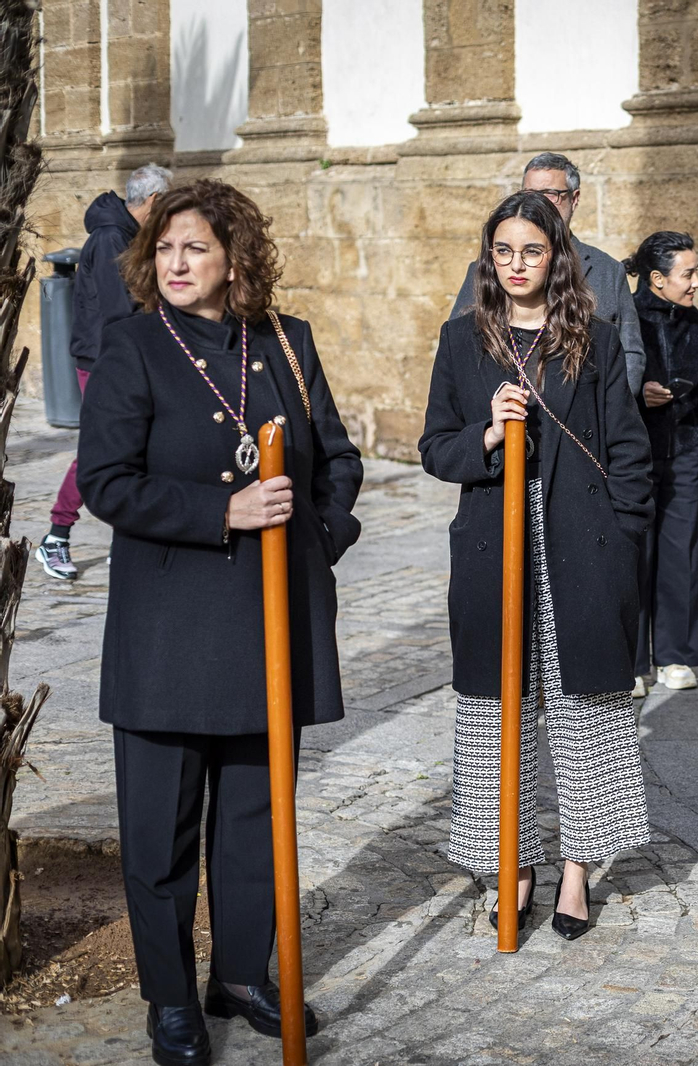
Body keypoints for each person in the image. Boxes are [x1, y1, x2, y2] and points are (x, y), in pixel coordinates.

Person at [76, 178, 363, 1065]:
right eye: (164, 249)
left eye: (194, 248)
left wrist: (313, 540)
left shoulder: (282, 341)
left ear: (234, 257)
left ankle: (241, 975)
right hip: (168, 631)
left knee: (252, 816)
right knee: (161, 830)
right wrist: (223, 513)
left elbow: (339, 461)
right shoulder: (133, 349)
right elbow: (106, 483)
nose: (176, 263)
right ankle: (170, 998)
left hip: (268, 625)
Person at [420, 190, 653, 943]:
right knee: (497, 716)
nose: (516, 264)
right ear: (489, 259)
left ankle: (578, 870)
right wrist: (485, 437)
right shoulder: (462, 340)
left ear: (556, 256)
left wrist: (622, 541)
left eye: (532, 250)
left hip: (579, 547)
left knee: (586, 715)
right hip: (495, 545)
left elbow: (628, 453)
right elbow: (435, 447)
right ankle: (511, 864)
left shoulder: (595, 338)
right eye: (503, 251)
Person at [37, 162, 171, 581]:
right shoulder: (113, 236)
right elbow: (122, 310)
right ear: (153, 200)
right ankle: (56, 537)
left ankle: (125, 543)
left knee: (135, 445)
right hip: (105, 360)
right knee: (101, 447)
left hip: (119, 356)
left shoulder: (126, 233)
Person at [449, 152, 645, 396]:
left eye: (550, 195)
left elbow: (630, 354)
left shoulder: (607, 270)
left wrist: (610, 412)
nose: (538, 204)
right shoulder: (488, 268)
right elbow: (458, 352)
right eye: (529, 194)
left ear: (575, 199)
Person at [625, 231, 698, 698]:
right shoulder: (624, 317)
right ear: (658, 279)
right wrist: (638, 392)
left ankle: (675, 655)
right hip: (635, 453)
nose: (697, 282)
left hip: (683, 448)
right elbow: (607, 380)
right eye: (689, 273)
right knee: (632, 552)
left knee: (680, 550)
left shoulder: (692, 318)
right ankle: (630, 662)